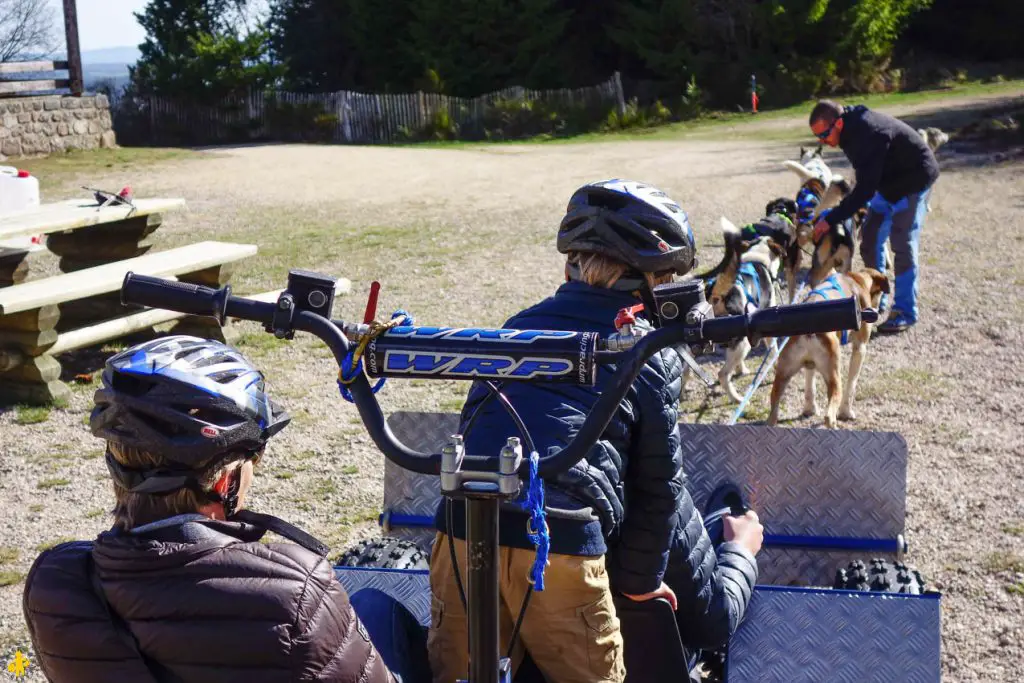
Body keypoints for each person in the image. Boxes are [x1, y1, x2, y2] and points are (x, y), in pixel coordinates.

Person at [426, 179, 763, 683]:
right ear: (654, 280)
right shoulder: (649, 349)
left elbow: (481, 428)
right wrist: (641, 587)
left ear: (575, 264)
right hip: (559, 542)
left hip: (460, 531)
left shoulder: (515, 326)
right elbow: (658, 489)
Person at [22, 335, 399, 683]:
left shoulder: (57, 583)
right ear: (224, 481)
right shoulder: (294, 590)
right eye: (254, 458)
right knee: (379, 607)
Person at [809, 99, 940, 333]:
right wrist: (833, 213)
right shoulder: (848, 132)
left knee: (902, 243)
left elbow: (864, 191)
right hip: (888, 184)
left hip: (914, 180)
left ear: (838, 123)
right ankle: (875, 298)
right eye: (818, 137)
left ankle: (904, 311)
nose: (823, 142)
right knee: (868, 238)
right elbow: (865, 181)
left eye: (825, 134)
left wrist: (831, 218)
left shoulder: (869, 135)